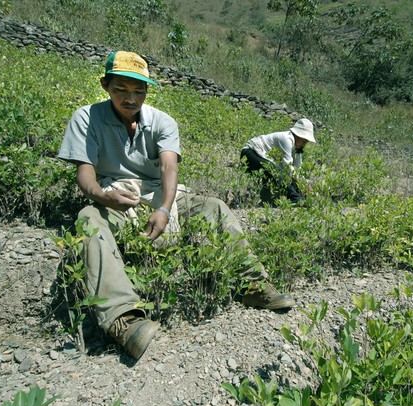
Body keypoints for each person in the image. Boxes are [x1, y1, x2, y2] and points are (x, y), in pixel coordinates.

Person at [58, 51, 295, 360]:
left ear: (147, 90)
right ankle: (122, 320)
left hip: (160, 193)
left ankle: (252, 285)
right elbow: (85, 174)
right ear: (105, 86)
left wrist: (164, 209)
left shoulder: (162, 121)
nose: (131, 98)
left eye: (138, 90)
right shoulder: (86, 117)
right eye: (121, 90)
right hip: (114, 195)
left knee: (214, 207)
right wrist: (103, 198)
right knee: (88, 219)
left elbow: (169, 168)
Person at [241, 118, 316, 204]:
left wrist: (304, 183)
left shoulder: (298, 149)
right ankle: (295, 199)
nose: (304, 144)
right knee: (276, 171)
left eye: (306, 141)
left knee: (283, 174)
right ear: (298, 135)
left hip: (261, 157)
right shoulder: (287, 139)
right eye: (303, 140)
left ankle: (299, 198)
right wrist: (302, 183)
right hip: (249, 153)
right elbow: (287, 165)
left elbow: (297, 169)